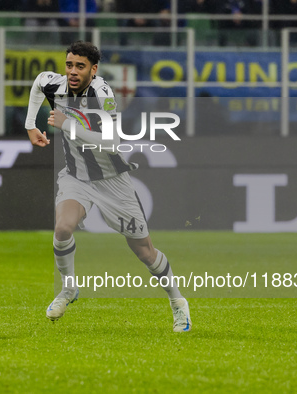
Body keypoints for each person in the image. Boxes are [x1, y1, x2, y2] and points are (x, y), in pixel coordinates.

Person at [24, 41, 192, 332]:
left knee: (145, 252)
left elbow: (113, 143)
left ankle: (179, 304)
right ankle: (69, 289)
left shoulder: (103, 95)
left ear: (94, 69)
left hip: (112, 181)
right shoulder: (56, 85)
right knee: (63, 228)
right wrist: (30, 125)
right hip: (76, 176)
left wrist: (67, 125)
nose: (72, 72)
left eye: (80, 66)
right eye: (69, 65)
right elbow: (39, 83)